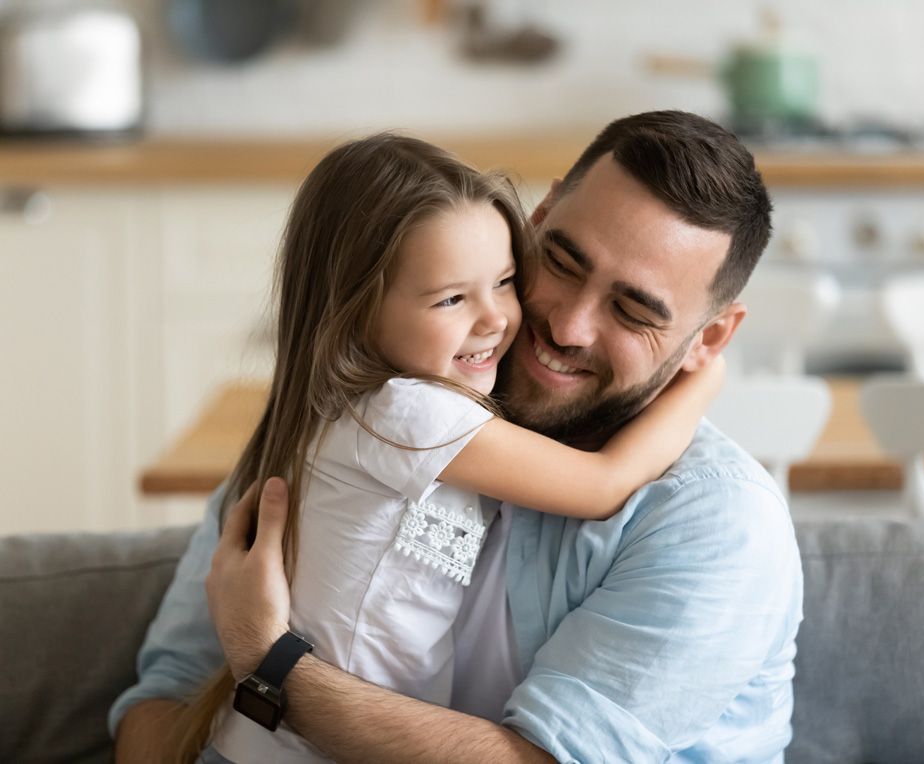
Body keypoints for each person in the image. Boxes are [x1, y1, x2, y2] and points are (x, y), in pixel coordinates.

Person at [112, 110, 803, 763]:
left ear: (708, 339)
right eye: (560, 262)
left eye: (630, 309)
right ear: (535, 219)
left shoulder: (715, 520)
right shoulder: (345, 419)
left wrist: (266, 658)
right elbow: (164, 702)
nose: (567, 327)